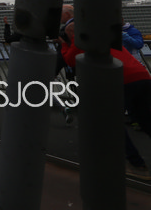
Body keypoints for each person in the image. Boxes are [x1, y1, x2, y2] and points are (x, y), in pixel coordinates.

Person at [60, 12, 151, 179]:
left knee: (112, 123)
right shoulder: (106, 38)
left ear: (73, 32)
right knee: (145, 120)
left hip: (119, 80)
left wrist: (64, 44)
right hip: (142, 76)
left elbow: (71, 60)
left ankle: (136, 164)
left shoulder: (80, 40)